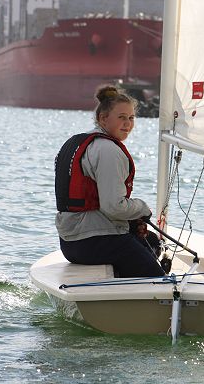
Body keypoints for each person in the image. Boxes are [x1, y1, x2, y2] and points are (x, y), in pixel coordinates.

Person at [55, 85, 165, 277]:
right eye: (121, 117)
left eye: (131, 118)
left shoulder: (77, 142)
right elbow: (114, 207)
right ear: (103, 118)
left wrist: (132, 221)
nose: (128, 124)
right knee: (157, 277)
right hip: (95, 242)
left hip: (70, 242)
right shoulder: (109, 151)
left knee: (152, 242)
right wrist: (143, 209)